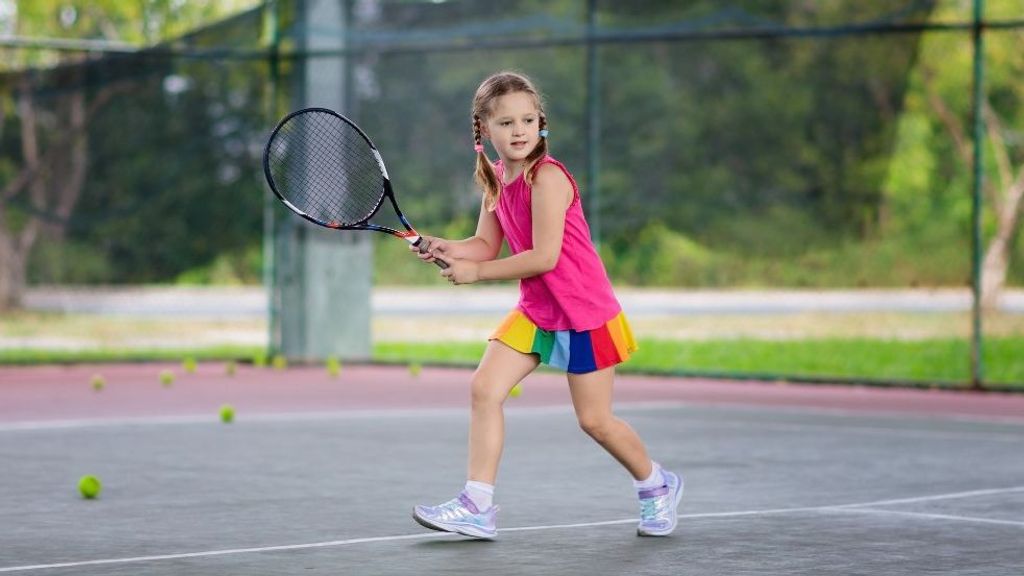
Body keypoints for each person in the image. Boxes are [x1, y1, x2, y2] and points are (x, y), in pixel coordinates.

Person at [410, 71, 682, 539]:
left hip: (585, 313)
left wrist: (475, 274)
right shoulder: (497, 180)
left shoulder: (548, 178)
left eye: (528, 120)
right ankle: (477, 504)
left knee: (595, 422)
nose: (519, 131)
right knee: (484, 389)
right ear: (483, 131)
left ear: (541, 124)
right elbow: (484, 245)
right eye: (507, 122)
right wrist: (445, 247)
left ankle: (657, 486)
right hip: (538, 312)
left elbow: (543, 257)